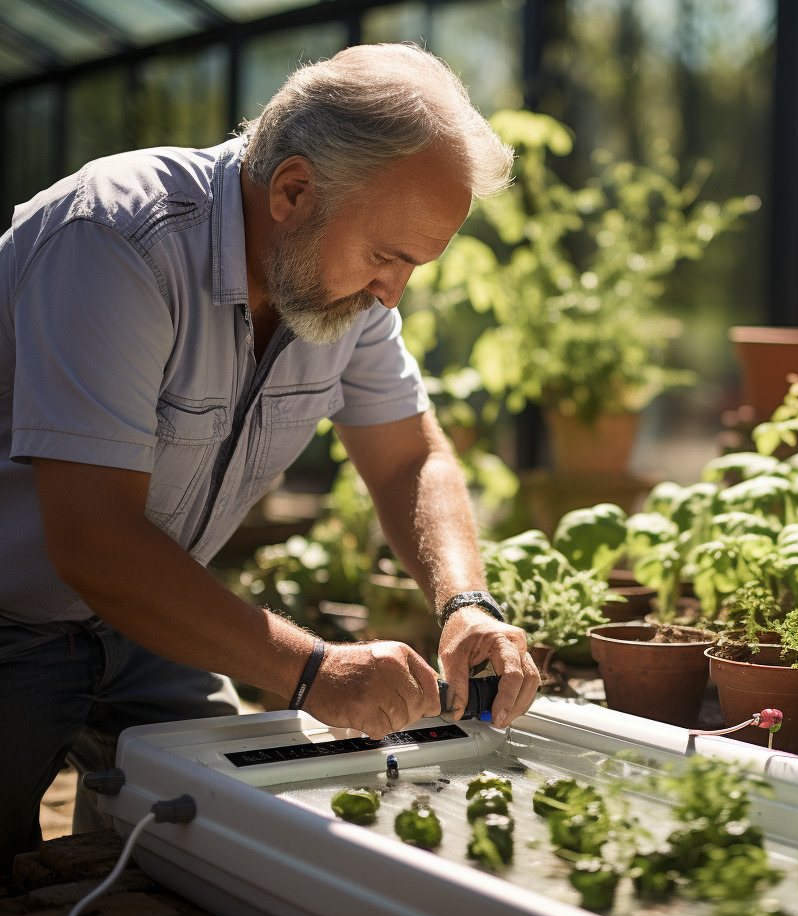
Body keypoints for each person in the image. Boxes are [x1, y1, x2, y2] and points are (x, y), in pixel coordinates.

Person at [0, 43, 539, 873]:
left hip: (142, 624)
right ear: (293, 190)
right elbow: (94, 539)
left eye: (414, 265)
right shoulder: (114, 238)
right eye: (388, 255)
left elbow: (407, 457)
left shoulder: (342, 291)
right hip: (11, 622)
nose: (394, 291)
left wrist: (464, 601)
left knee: (223, 840)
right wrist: (316, 669)